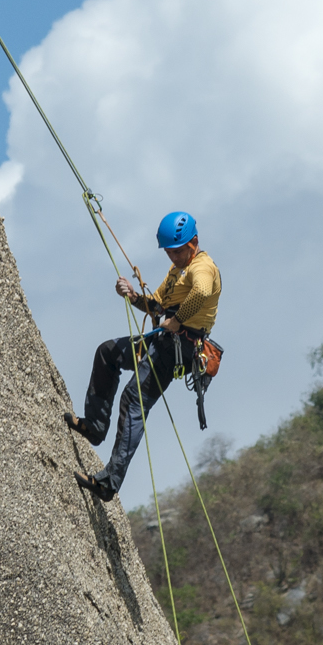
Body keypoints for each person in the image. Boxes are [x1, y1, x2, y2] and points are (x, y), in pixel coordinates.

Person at [66, 210, 220, 501]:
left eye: (177, 252)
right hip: (162, 341)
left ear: (194, 242)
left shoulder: (204, 267)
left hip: (178, 350)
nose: (172, 258)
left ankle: (109, 482)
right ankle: (96, 425)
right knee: (107, 353)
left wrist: (178, 319)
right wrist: (132, 295)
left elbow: (200, 292)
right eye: (169, 253)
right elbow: (156, 306)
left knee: (133, 400)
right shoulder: (178, 271)